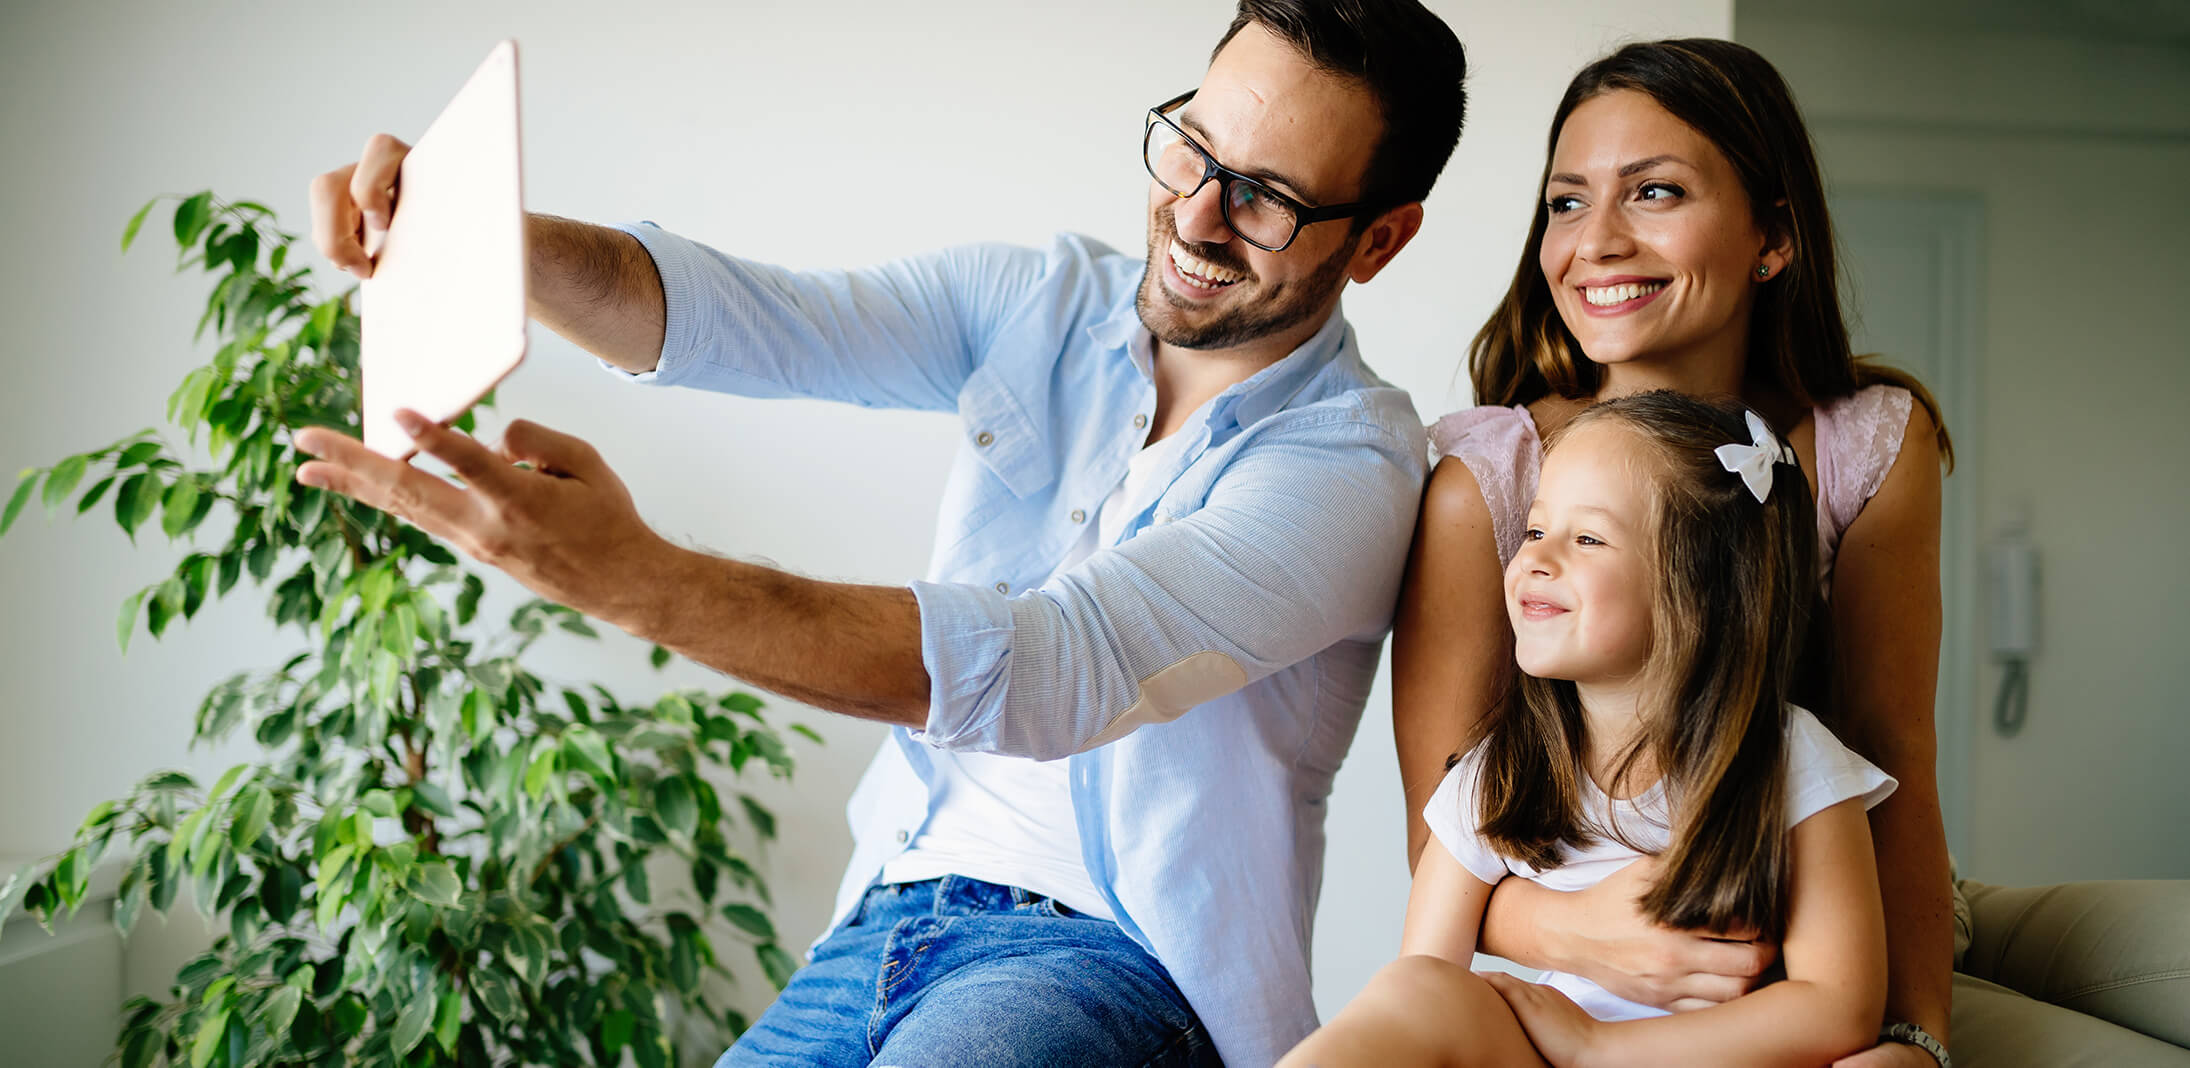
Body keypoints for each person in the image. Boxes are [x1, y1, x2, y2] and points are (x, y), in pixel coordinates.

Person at [299, 2, 1468, 1064]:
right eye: (1193, 146)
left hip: (1111, 968)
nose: (1197, 213)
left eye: (1265, 195)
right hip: (883, 917)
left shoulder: (1351, 463)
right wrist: (465, 232)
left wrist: (631, 579)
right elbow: (750, 318)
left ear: (1379, 241)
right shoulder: (1047, 301)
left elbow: (1052, 666)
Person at [1393, 36, 2190, 1068]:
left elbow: (1894, 754)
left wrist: (1914, 1038)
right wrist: (1586, 942)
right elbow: (1447, 841)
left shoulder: (1864, 446)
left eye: (1656, 192)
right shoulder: (1493, 479)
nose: (1595, 240)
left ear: (1773, 236)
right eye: (1566, 201)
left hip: (1866, 920)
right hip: (1645, 967)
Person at [1288, 391, 1898, 1066]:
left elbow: (1839, 1006)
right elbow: (1422, 982)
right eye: (1534, 531)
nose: (1536, 560)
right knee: (1417, 989)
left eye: (1586, 538)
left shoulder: (1790, 760)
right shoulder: (1498, 773)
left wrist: (1598, 1048)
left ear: (1701, 588)